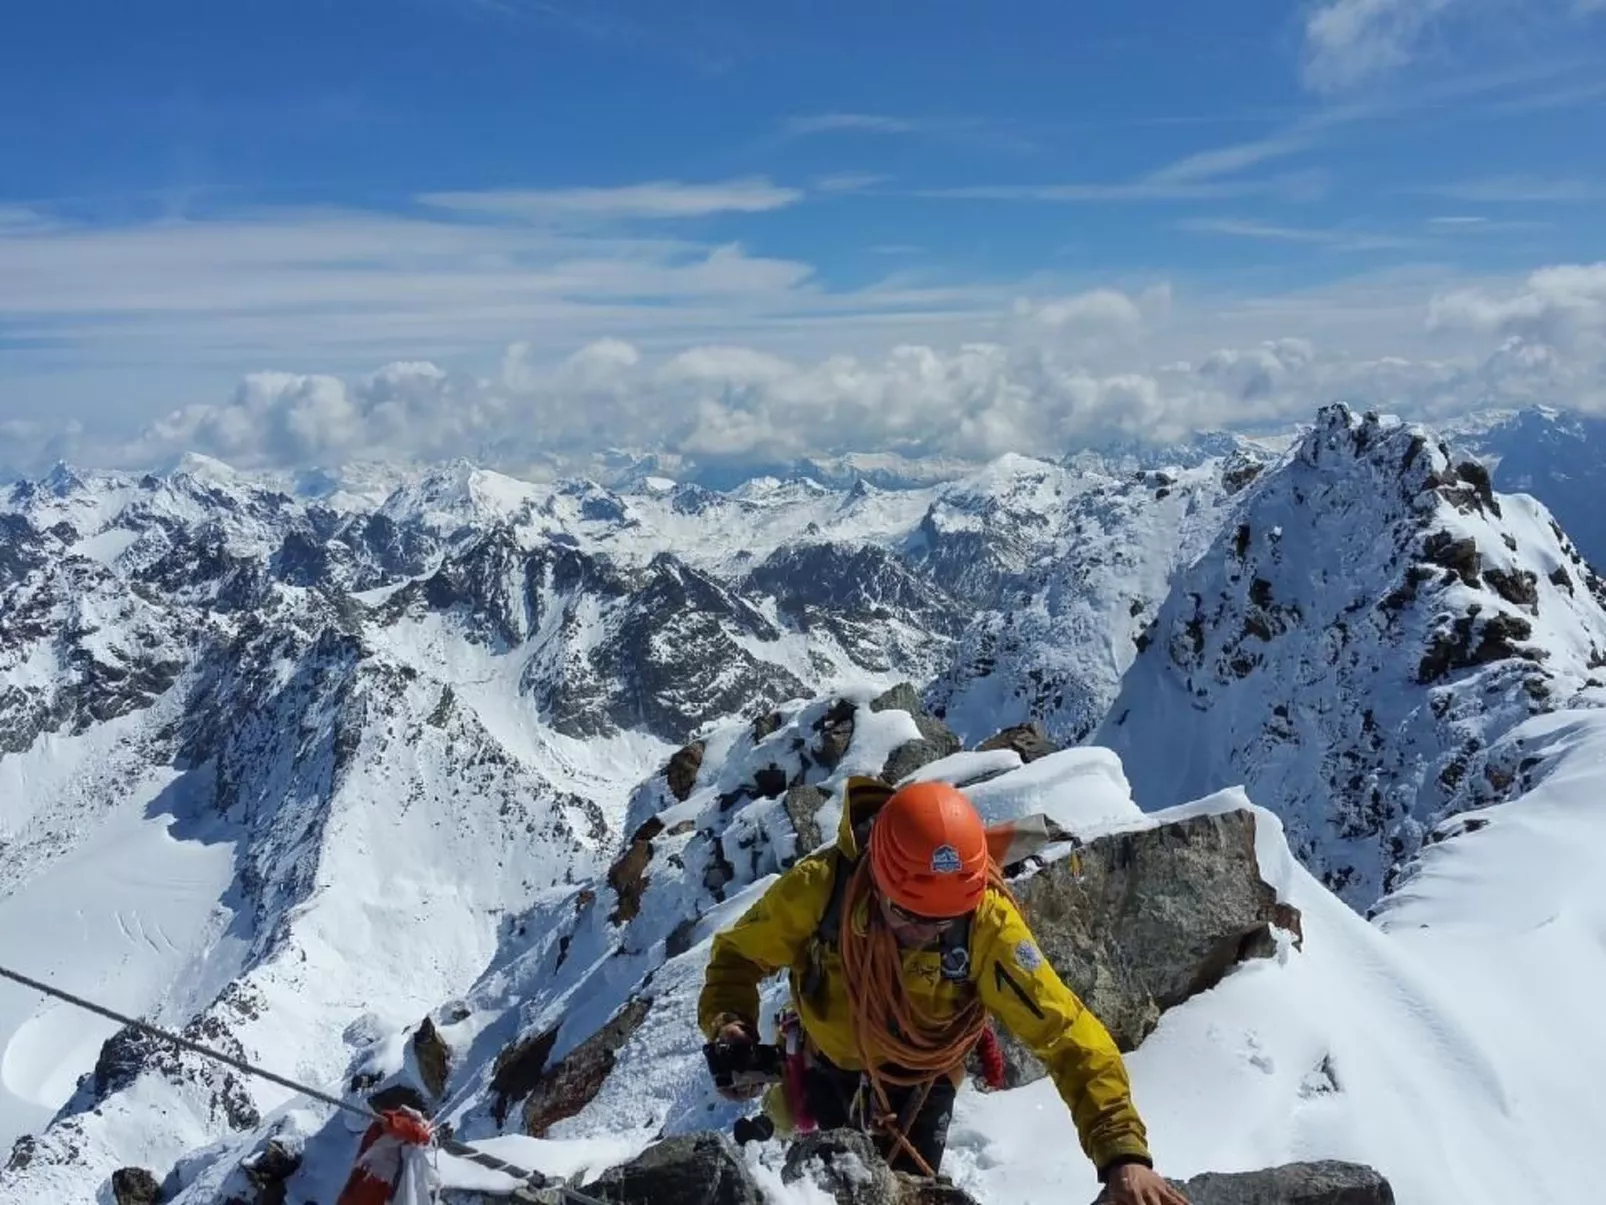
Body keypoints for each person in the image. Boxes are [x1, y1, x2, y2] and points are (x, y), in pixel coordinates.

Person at [698, 775, 1189, 1205]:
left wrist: (1123, 1153)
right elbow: (738, 957)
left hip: (923, 1081)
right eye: (907, 915)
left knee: (906, 1187)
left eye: (941, 921)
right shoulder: (822, 889)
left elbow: (1066, 1032)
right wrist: (730, 1021)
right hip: (829, 1064)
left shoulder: (984, 923)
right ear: (878, 877)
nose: (925, 932)